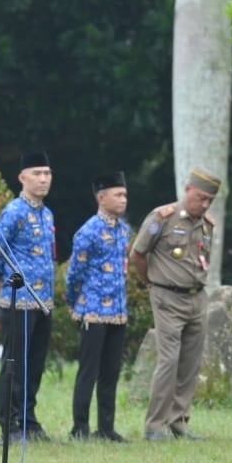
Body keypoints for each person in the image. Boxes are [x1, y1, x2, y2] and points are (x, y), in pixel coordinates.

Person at [130, 167, 221, 442]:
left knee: (191, 363)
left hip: (197, 297)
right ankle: (154, 425)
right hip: (167, 297)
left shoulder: (207, 225)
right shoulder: (163, 217)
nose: (204, 204)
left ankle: (179, 421)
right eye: (201, 198)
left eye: (209, 201)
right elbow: (138, 254)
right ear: (188, 190)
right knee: (169, 360)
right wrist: (153, 283)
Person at [66, 171, 131, 442]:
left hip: (118, 311)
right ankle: (80, 427)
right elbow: (74, 273)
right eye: (118, 195)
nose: (123, 200)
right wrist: (74, 303)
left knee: (111, 373)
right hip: (92, 310)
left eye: (125, 195)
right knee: (88, 372)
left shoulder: (125, 230)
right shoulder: (88, 231)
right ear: (101, 198)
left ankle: (106, 427)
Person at [0, 151, 56, 443]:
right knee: (15, 364)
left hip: (43, 300)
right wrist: (4, 281)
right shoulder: (14, 211)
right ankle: (10, 423)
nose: (43, 179)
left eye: (47, 174)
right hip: (19, 300)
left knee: (35, 364)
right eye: (37, 174)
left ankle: (29, 420)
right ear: (22, 178)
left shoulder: (47, 213)